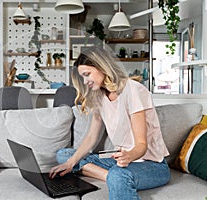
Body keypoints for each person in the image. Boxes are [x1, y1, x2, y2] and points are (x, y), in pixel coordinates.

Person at [49, 46, 170, 200]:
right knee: (65, 155)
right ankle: (112, 177)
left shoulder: (133, 90)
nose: (85, 82)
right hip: (118, 161)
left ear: (102, 67)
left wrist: (129, 156)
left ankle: (117, 178)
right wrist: (70, 163)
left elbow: (141, 145)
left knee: (118, 175)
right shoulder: (99, 95)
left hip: (151, 165)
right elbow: (92, 136)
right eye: (83, 77)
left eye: (87, 75)